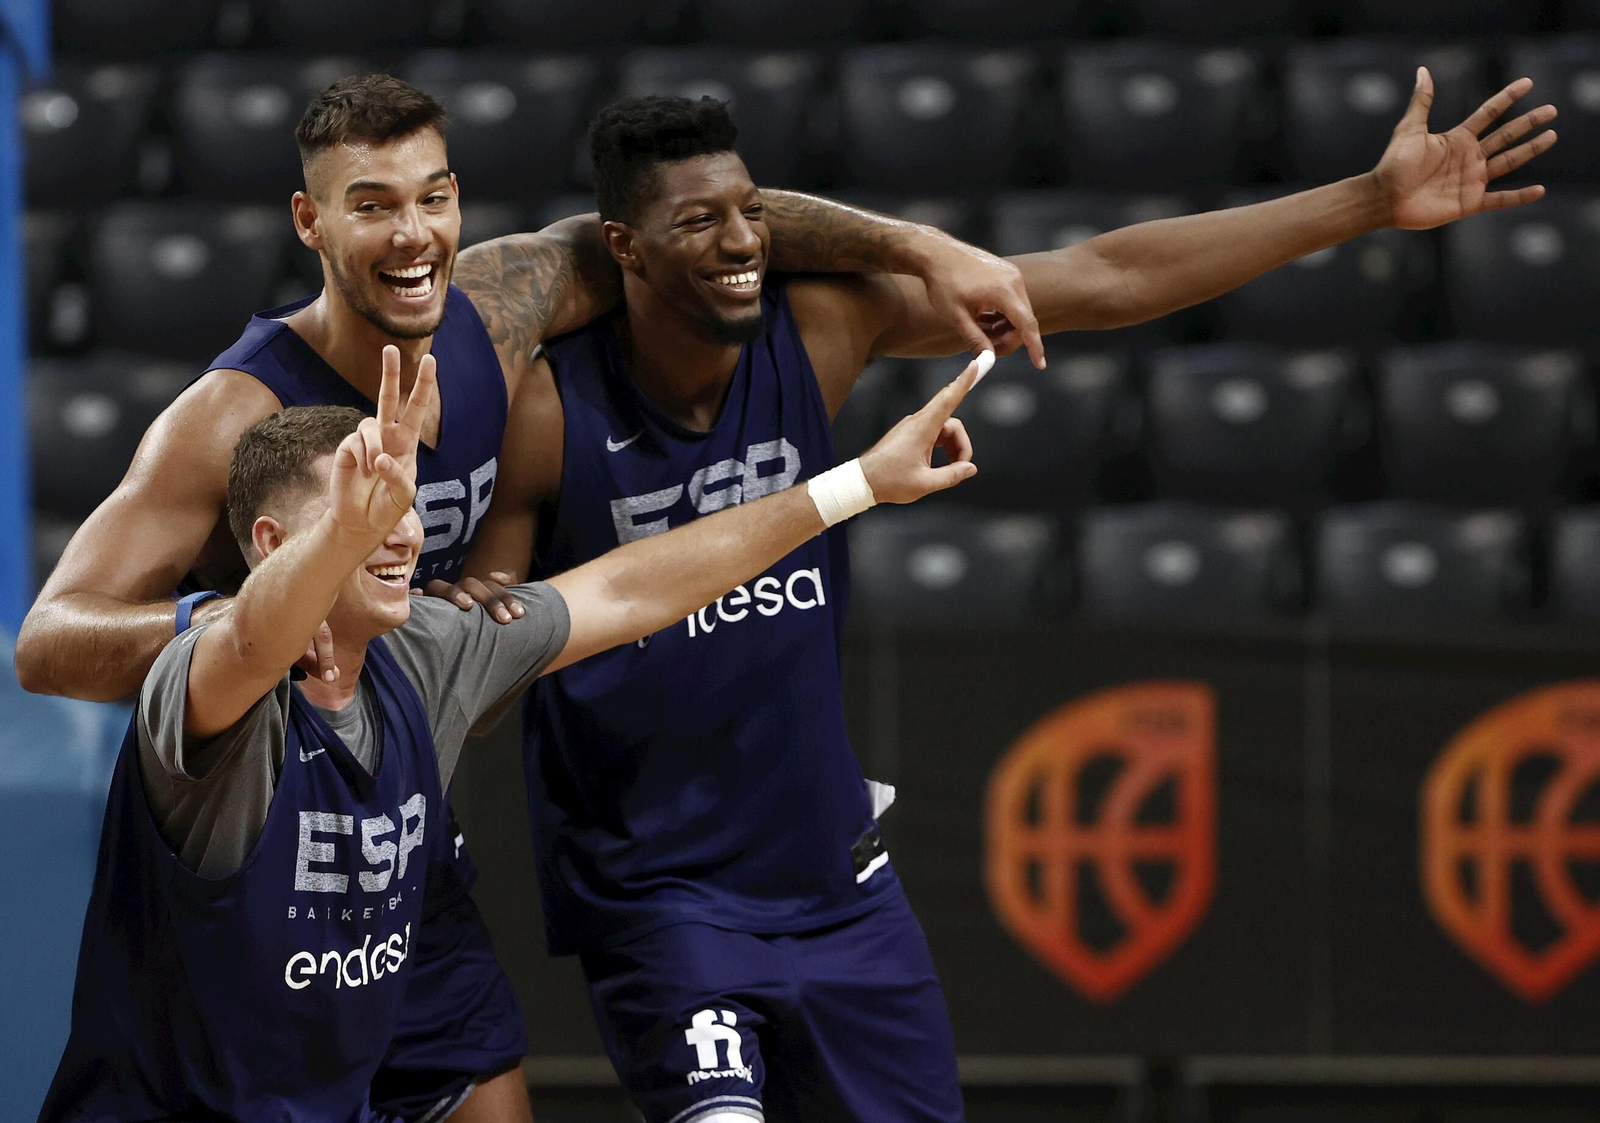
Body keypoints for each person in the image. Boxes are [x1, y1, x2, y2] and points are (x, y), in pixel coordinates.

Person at [455, 75, 1558, 1123]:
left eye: (751, 214)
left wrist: (1366, 202)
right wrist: (466, 625)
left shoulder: (819, 331)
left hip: (837, 885)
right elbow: (488, 659)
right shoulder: (550, 416)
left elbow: (1105, 276)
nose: (742, 243)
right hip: (661, 900)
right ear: (623, 250)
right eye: (699, 224)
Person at [13, 74, 1040, 1123]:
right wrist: (281, 613)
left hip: (396, 835)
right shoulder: (228, 434)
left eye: (435, 195)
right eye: (371, 204)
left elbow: (698, 241)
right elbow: (47, 644)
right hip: (244, 836)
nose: (413, 233)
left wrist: (916, 261)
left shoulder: (495, 330)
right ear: (308, 223)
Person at [38, 346, 984, 1123]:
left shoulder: (425, 652)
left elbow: (626, 586)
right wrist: (342, 536)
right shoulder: (206, 683)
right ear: (278, 544)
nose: (403, 531)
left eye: (407, 503)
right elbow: (254, 633)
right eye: (368, 506)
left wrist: (856, 484)